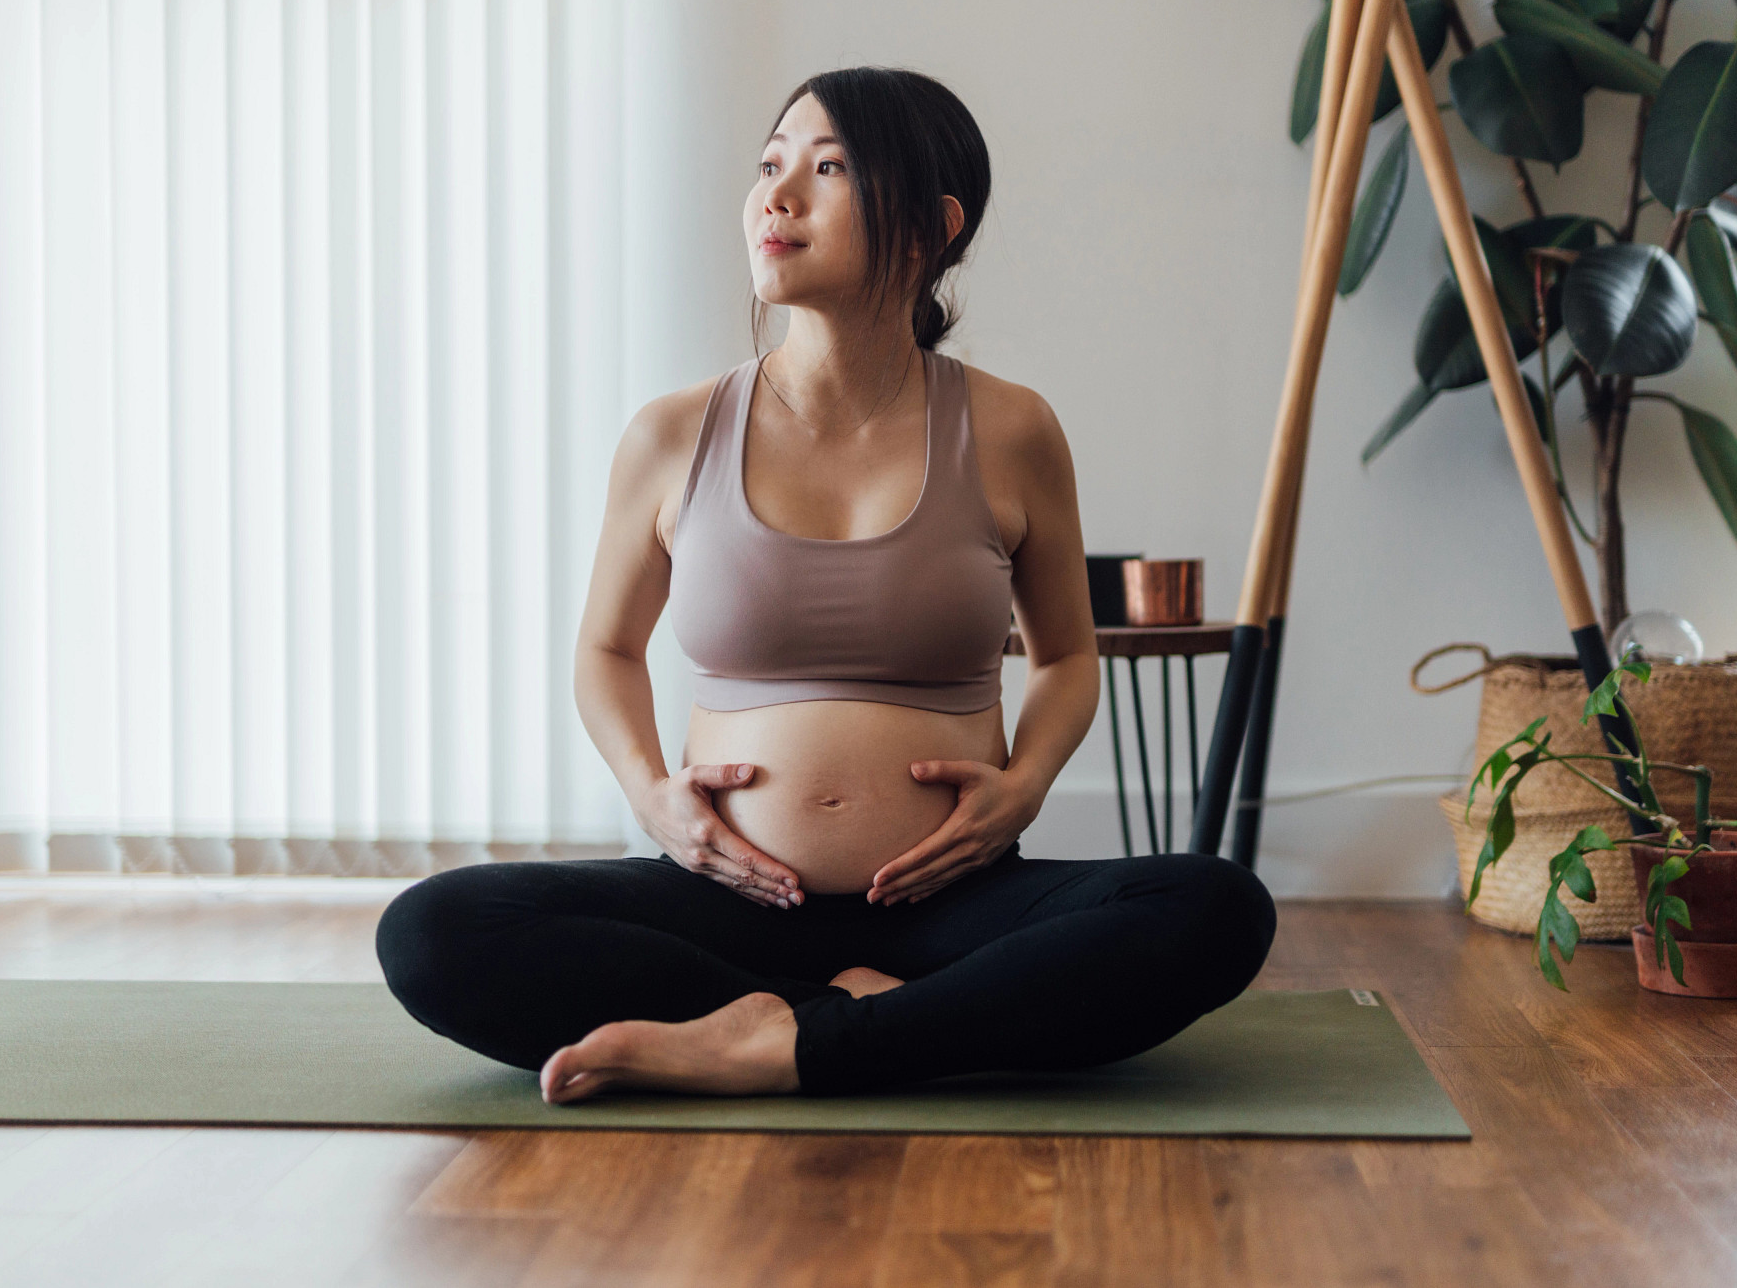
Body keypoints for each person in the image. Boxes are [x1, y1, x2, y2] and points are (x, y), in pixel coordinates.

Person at [375, 66, 1277, 1102]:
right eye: (768, 165)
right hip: (726, 901)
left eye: (828, 166)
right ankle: (849, 1022)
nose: (777, 193)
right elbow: (605, 651)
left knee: (1212, 907)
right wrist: (650, 797)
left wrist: (1024, 785)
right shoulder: (671, 436)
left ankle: (777, 1039)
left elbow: (1069, 657)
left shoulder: (1013, 428)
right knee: (433, 932)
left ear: (929, 227)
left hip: (952, 902)